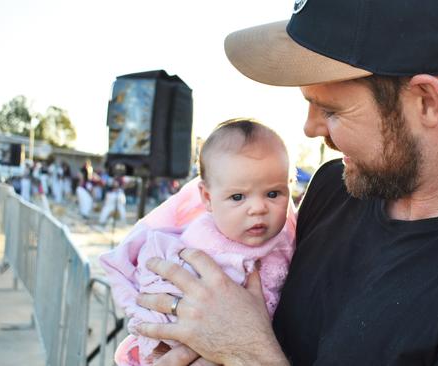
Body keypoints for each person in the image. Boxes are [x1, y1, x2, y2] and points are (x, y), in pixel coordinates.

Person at [134, 1, 438, 365]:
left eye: (333, 109)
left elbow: (246, 340)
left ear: (426, 100)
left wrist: (247, 353)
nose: (310, 129)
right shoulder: (335, 190)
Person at [99, 119, 296, 366]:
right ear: (207, 198)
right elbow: (159, 294)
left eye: (273, 193)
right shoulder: (195, 244)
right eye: (238, 197)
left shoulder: (291, 235)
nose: (258, 208)